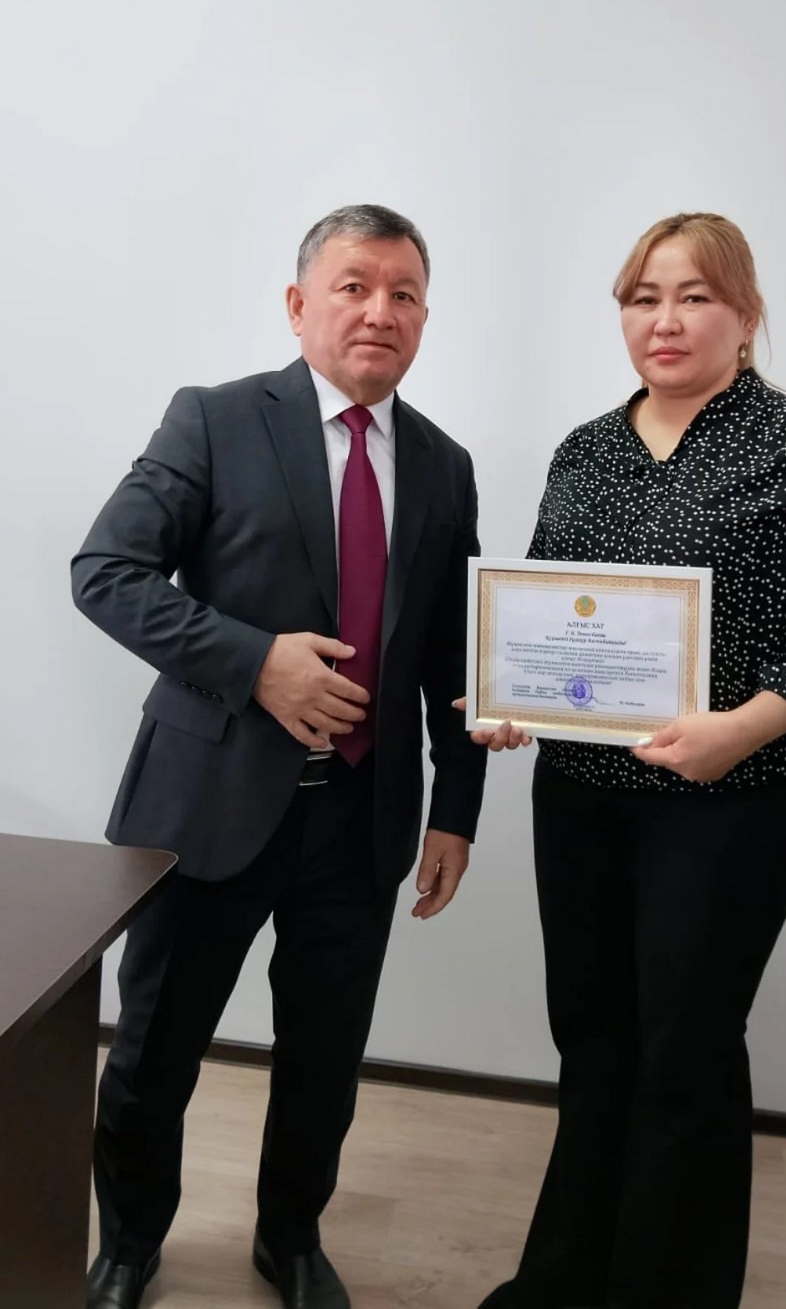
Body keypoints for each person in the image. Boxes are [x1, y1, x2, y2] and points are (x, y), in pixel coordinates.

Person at [474, 213, 786, 1309]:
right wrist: (512, 698)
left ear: (745, 316)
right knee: (593, 1043)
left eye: (694, 296)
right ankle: (561, 1283)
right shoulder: (586, 449)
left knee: (686, 1052)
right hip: (581, 800)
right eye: (642, 298)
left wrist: (743, 725)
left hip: (728, 804)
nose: (664, 320)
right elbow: (549, 612)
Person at [71, 203, 487, 1309]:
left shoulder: (444, 466)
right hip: (207, 804)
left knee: (324, 1056)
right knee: (155, 1049)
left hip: (361, 814)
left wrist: (458, 807)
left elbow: (454, 653)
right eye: (354, 286)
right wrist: (256, 662)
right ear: (300, 305)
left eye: (404, 293)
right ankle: (129, 1242)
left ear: (425, 317)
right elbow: (106, 572)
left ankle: (290, 1238)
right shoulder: (213, 420)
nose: (380, 311)